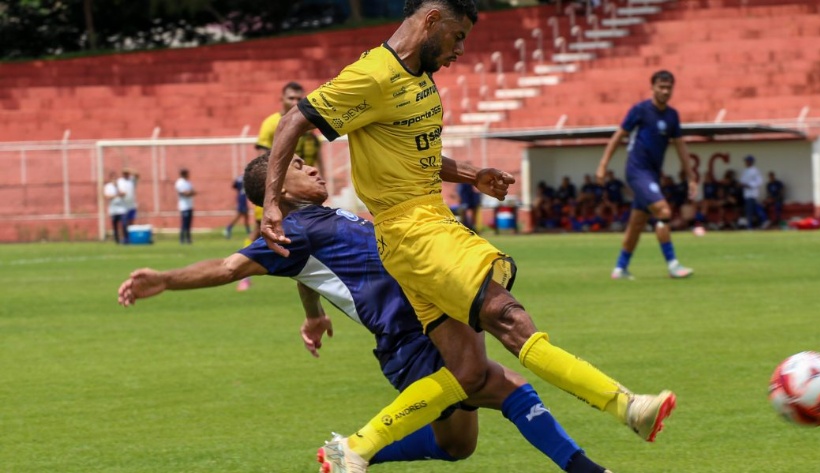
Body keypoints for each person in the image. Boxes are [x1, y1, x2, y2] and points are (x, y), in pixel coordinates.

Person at [261, 2, 676, 472]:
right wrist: (272, 202)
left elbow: (413, 155)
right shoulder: (373, 74)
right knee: (506, 315)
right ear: (432, 19)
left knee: (467, 372)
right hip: (416, 232)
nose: (460, 49)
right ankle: (627, 406)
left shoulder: (418, 78)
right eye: (458, 36)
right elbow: (297, 119)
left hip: (420, 232)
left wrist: (472, 174)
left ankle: (354, 448)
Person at [118, 153, 613, 473]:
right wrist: (164, 279)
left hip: (426, 323)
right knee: (505, 385)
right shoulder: (291, 229)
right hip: (410, 337)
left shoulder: (320, 219)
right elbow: (229, 266)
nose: (313, 168)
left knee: (459, 446)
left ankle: (350, 453)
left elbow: (302, 271)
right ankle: (589, 469)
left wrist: (312, 314)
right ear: (279, 188)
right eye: (298, 166)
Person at [596, 70, 697, 279]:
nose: (665, 91)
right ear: (652, 87)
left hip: (652, 175)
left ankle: (620, 268)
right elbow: (618, 136)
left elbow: (681, 148)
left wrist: (691, 177)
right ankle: (673, 265)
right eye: (661, 87)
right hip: (636, 171)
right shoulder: (640, 110)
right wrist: (603, 165)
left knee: (637, 224)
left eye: (669, 88)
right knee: (664, 211)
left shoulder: (672, 116)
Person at [255, 81, 325, 179]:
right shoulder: (270, 123)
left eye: (299, 99)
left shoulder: (308, 122)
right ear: (282, 98)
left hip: (307, 179)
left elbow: (316, 153)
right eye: (291, 98)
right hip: (283, 180)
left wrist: (323, 178)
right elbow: (262, 158)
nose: (295, 102)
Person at [739, 155, 767, 229]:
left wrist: (749, 185)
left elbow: (759, 181)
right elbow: (742, 181)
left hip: (752, 193)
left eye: (747, 161)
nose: (746, 162)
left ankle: (751, 225)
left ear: (751, 162)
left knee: (751, 210)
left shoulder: (755, 170)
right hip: (746, 194)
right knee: (749, 210)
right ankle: (756, 223)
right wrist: (741, 184)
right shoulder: (745, 170)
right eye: (746, 161)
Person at [103, 170, 128, 244]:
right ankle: (117, 240)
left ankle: (126, 239)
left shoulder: (121, 185)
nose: (114, 179)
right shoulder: (108, 186)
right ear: (110, 178)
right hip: (113, 209)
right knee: (115, 225)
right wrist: (116, 195)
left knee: (124, 224)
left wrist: (117, 188)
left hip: (121, 209)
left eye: (115, 177)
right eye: (112, 178)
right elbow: (107, 196)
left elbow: (123, 193)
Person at [224, 175, 251, 239]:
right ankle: (228, 228)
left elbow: (234, 186)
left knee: (246, 216)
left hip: (240, 197)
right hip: (243, 199)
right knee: (239, 215)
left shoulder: (239, 178)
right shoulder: (246, 178)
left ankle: (249, 232)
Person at [174, 168, 196, 244]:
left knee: (189, 224)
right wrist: (189, 193)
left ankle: (188, 239)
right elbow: (184, 193)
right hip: (184, 206)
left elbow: (193, 191)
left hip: (190, 205)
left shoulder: (188, 182)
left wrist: (190, 193)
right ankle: (182, 239)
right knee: (184, 224)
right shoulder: (179, 182)